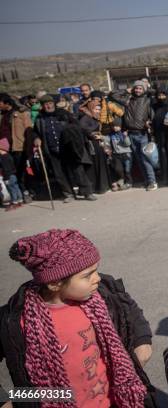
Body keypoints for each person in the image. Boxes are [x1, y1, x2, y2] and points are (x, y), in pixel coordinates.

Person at [1, 229, 157, 407]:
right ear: (54, 283)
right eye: (87, 275)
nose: (97, 278)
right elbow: (28, 389)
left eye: (96, 270)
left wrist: (142, 340)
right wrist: (16, 400)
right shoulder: (16, 321)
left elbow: (128, 308)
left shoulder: (102, 294)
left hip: (116, 401)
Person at [33, 95, 96, 202]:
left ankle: (87, 192)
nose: (48, 106)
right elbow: (36, 132)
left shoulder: (63, 114)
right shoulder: (40, 118)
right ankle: (69, 194)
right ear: (42, 106)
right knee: (60, 174)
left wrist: (87, 135)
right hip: (52, 150)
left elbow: (77, 126)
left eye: (50, 103)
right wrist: (36, 138)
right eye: (45, 104)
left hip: (69, 148)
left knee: (78, 170)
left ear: (54, 103)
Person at [123, 80, 157, 191]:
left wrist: (149, 123)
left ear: (144, 89)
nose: (138, 90)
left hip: (142, 134)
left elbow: (152, 116)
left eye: (140, 88)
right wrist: (126, 91)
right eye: (136, 88)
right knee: (138, 159)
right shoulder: (129, 100)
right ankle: (146, 181)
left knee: (145, 159)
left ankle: (152, 182)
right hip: (131, 134)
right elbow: (113, 95)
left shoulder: (148, 100)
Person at [0, 93, 33, 203]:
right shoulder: (3, 116)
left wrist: (29, 147)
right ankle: (20, 195)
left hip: (20, 147)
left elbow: (29, 130)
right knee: (14, 173)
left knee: (23, 172)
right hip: (7, 149)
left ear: (7, 103)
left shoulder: (20, 113)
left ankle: (28, 192)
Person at [109, 117, 132, 190]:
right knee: (118, 169)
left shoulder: (123, 134)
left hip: (126, 154)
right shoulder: (111, 134)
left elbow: (128, 144)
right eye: (113, 126)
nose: (115, 127)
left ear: (120, 126)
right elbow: (107, 139)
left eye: (117, 126)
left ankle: (129, 183)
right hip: (117, 154)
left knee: (127, 170)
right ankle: (121, 181)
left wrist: (125, 137)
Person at [0, 139, 24, 211]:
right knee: (16, 188)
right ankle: (20, 200)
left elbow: (6, 169)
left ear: (1, 148)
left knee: (11, 189)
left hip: (9, 176)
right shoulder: (9, 156)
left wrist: (6, 178)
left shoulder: (3, 158)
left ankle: (14, 202)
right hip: (13, 175)